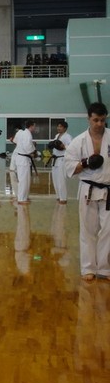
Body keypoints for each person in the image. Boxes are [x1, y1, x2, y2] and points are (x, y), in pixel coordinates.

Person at [64, 102, 110, 281]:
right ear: (88, 119)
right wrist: (85, 163)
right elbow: (69, 168)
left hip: (108, 189)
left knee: (108, 230)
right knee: (87, 230)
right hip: (88, 189)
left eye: (102, 120)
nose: (99, 124)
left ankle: (105, 268)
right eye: (95, 120)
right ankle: (88, 267)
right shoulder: (78, 142)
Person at [13, 120, 37, 204]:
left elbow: (15, 141)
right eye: (34, 126)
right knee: (23, 180)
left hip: (23, 158)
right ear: (31, 126)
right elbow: (27, 147)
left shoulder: (21, 133)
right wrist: (33, 151)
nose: (35, 127)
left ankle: (24, 197)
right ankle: (21, 199)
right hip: (23, 159)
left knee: (26, 179)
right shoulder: (27, 134)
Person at [48, 121, 72, 204]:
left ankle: (63, 198)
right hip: (55, 159)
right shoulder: (57, 136)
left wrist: (64, 146)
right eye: (58, 126)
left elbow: (71, 147)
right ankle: (58, 196)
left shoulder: (68, 137)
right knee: (55, 179)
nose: (58, 128)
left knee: (61, 180)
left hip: (62, 159)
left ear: (65, 128)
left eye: (60, 126)